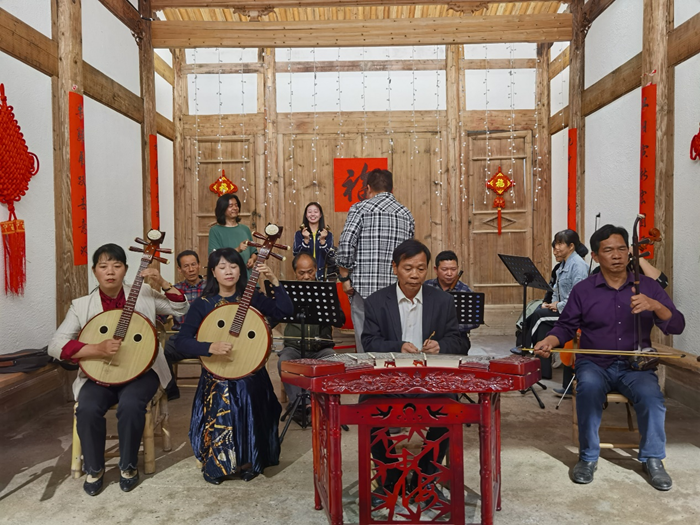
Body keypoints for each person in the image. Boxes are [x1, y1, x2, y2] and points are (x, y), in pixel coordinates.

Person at [534, 224, 685, 491]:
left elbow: (677, 326)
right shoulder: (584, 290)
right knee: (588, 390)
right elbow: (565, 326)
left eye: (622, 249)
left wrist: (656, 305)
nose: (616, 255)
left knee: (652, 398)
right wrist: (549, 340)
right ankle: (588, 457)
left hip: (636, 366)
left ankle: (653, 459)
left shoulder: (647, 286)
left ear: (629, 252)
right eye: (608, 250)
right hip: (595, 363)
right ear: (595, 255)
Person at [48, 244, 189, 496]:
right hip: (99, 372)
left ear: (125, 269)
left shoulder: (143, 293)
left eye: (117, 265)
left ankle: (128, 465)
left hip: (141, 371)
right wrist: (95, 349)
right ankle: (94, 468)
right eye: (103, 266)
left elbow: (180, 309)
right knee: (87, 408)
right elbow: (55, 345)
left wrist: (163, 282)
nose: (110, 271)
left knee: (131, 405)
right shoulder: (81, 305)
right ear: (94, 271)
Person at [361, 239, 467, 508]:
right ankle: (389, 476)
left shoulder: (443, 301)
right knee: (367, 406)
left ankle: (426, 476)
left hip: (429, 380)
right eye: (408, 268)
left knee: (450, 406)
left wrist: (441, 346)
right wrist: (397, 347)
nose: (414, 275)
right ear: (395, 268)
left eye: (420, 268)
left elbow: (459, 341)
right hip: (390, 379)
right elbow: (369, 342)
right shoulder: (376, 302)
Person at [175, 248, 293, 484]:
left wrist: (273, 280)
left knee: (248, 391)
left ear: (241, 270)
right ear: (213, 272)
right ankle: (220, 463)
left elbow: (286, 311)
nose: (228, 271)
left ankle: (249, 460)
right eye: (222, 267)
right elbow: (181, 341)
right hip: (217, 373)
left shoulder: (252, 297)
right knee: (223, 394)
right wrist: (209, 346)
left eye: (233, 266)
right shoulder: (203, 304)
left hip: (251, 371)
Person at [336, 168, 415, 352]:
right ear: (391, 189)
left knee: (365, 343)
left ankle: (366, 370)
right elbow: (410, 254)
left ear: (368, 188)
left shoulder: (360, 208)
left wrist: (344, 278)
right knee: (393, 341)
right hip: (396, 290)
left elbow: (346, 244)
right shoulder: (406, 214)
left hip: (363, 289)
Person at [276, 253, 345, 422]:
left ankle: (325, 404)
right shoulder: (286, 293)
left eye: (310, 272)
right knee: (283, 362)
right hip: (294, 348)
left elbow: (341, 320)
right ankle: (300, 406)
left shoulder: (325, 291)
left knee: (336, 362)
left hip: (321, 349)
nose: (306, 276)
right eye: (301, 273)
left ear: (316, 270)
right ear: (295, 272)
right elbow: (272, 317)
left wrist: (329, 308)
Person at [517, 230, 589, 381]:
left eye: (560, 244)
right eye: (556, 243)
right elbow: (556, 290)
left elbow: (578, 296)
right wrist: (551, 304)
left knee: (539, 316)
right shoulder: (562, 265)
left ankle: (526, 349)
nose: (556, 247)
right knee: (540, 316)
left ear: (571, 246)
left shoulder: (578, 266)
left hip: (574, 313)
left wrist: (559, 306)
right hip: (562, 308)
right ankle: (543, 371)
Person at [158, 250, 206, 400]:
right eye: (186, 266)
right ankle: (171, 390)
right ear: (179, 269)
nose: (191, 269)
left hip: (207, 337)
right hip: (182, 339)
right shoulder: (174, 291)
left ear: (199, 265)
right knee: (159, 352)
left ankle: (211, 389)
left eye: (193, 265)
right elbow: (160, 316)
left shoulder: (213, 287)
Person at [424, 250, 478, 352]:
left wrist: (449, 326)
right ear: (436, 269)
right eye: (444, 269)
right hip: (429, 336)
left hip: (457, 337)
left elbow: (474, 322)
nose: (449, 273)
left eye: (453, 269)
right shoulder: (426, 287)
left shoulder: (465, 291)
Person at [207, 193, 258, 274]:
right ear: (222, 209)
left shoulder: (245, 229)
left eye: (236, 205)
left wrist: (252, 259)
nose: (235, 208)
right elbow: (214, 257)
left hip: (247, 275)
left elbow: (254, 252)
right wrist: (237, 250)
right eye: (230, 206)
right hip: (228, 276)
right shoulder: (215, 230)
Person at [293, 202, 334, 281]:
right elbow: (296, 256)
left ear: (320, 215)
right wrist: (305, 241)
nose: (312, 214)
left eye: (315, 212)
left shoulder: (328, 234)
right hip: (305, 276)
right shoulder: (299, 234)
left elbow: (331, 257)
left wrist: (323, 241)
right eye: (309, 212)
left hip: (323, 276)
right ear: (306, 215)